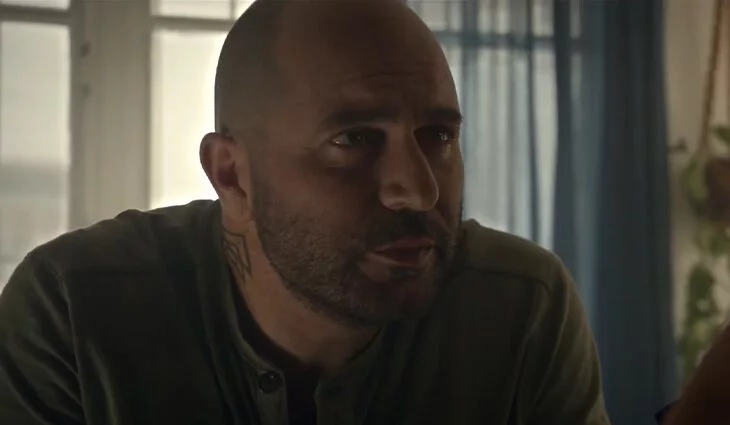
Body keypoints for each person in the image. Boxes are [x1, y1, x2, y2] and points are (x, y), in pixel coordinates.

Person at [0, 0, 610, 424]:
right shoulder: (75, 312)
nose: (419, 192)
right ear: (232, 176)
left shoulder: (522, 309)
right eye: (354, 140)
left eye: (438, 136)